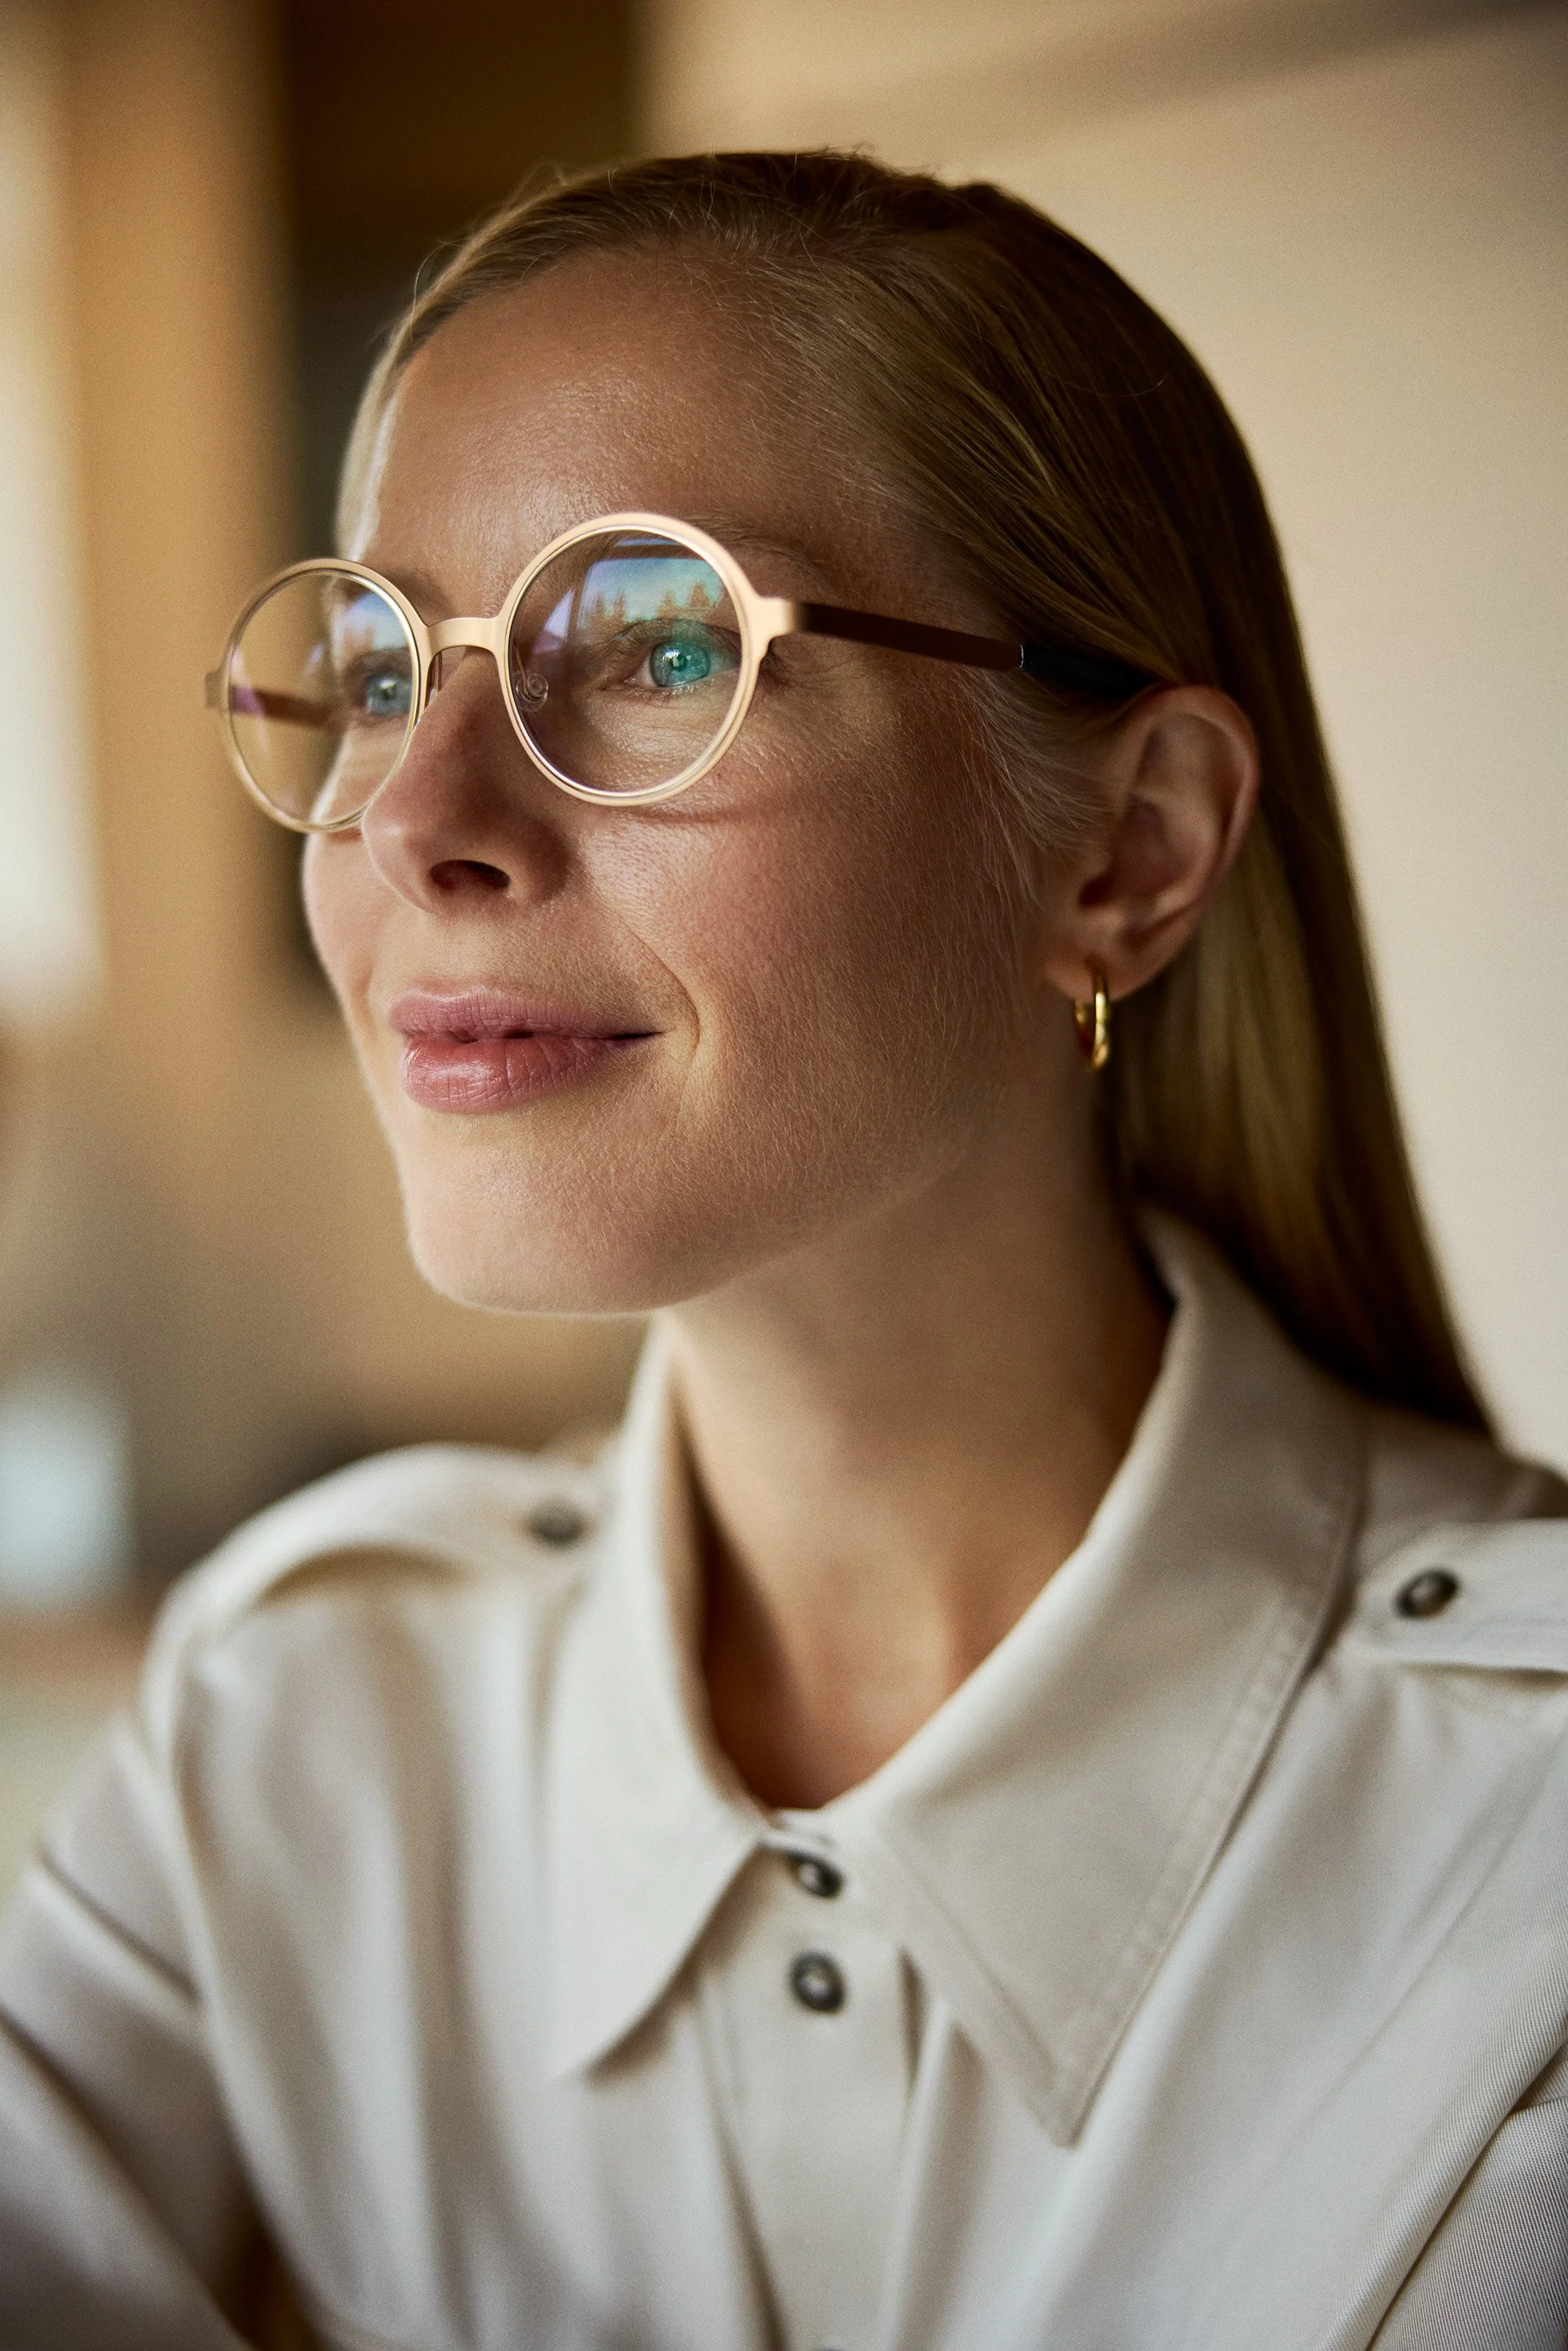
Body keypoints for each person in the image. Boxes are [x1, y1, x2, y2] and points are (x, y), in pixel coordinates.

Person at [2, 150, 1565, 2351]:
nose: (424, 817)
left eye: (649, 645)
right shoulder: (301, 1724)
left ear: (1127, 851)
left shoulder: (1528, 1870)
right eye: (379, 665)